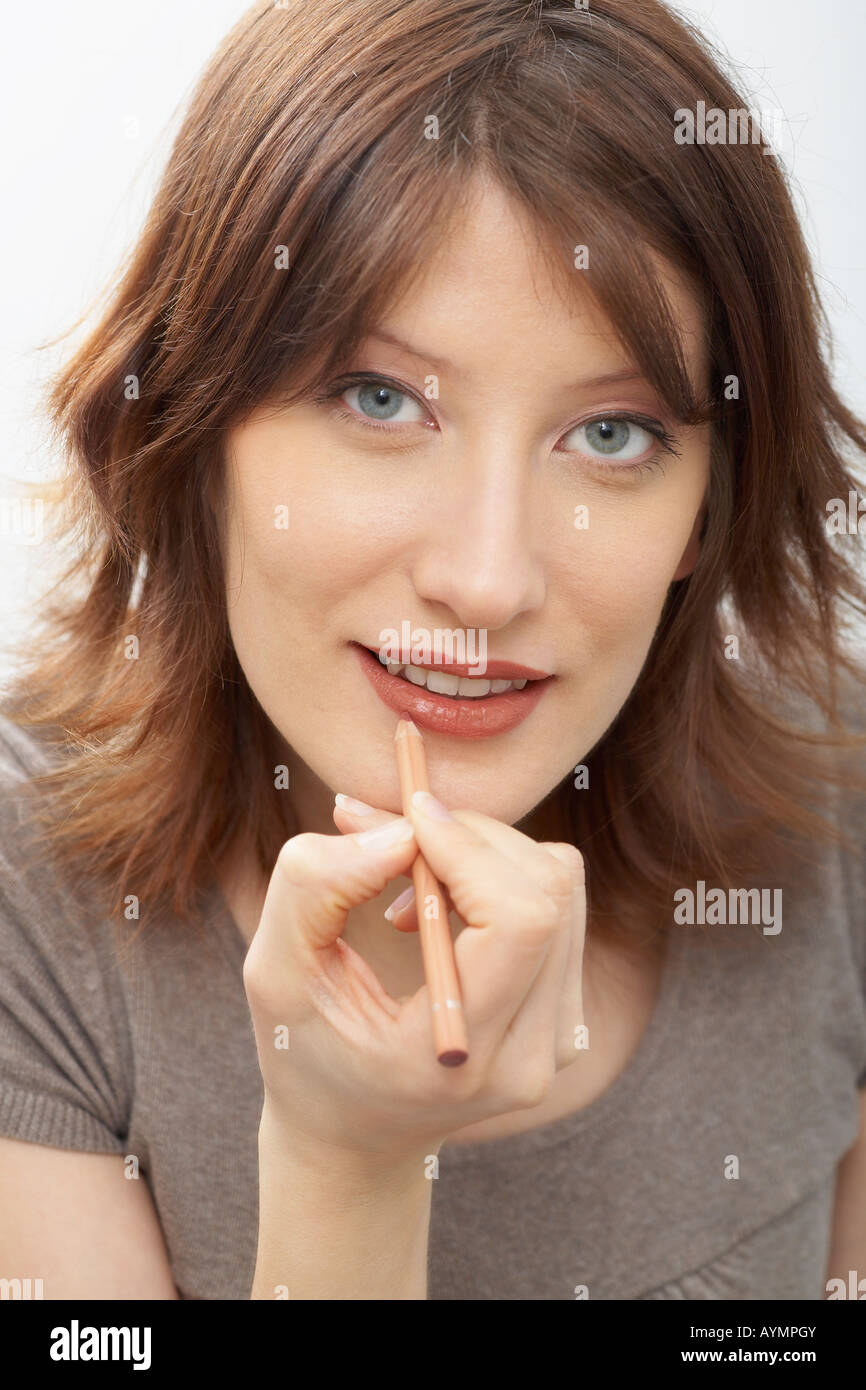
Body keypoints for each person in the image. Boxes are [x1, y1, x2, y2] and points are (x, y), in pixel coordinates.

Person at [1, 0, 864, 1301]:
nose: (485, 577)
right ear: (191, 427)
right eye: (380, 399)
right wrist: (345, 1162)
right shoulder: (30, 900)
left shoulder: (835, 811)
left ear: (708, 506)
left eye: (613, 434)